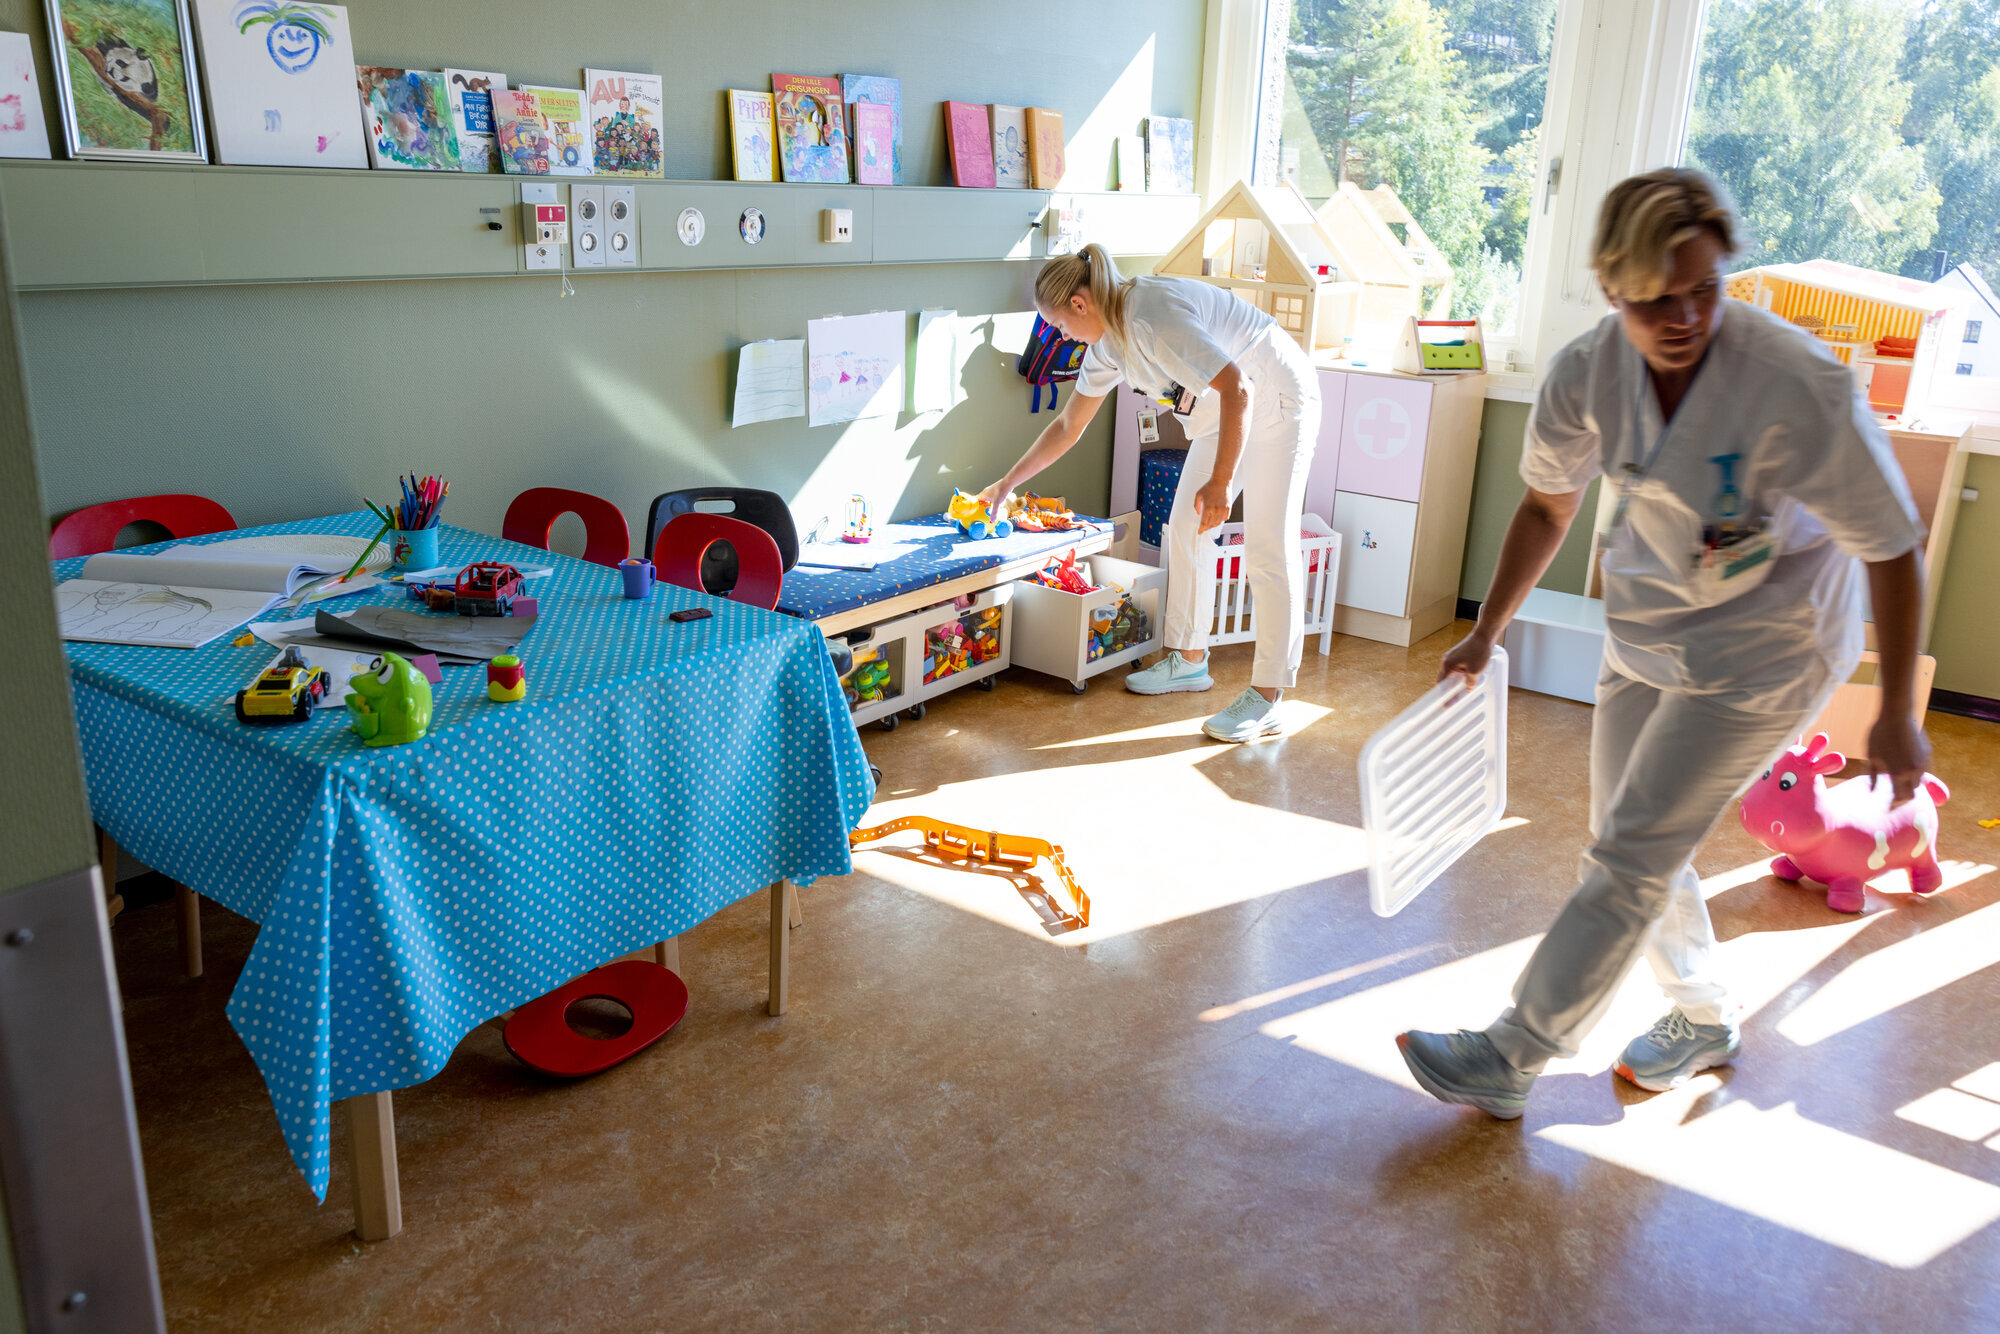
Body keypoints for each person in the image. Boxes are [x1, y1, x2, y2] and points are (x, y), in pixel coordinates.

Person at [1397, 169, 1931, 1116]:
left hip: (1773, 648)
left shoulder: (1798, 385)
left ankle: (1514, 1053)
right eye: (1656, 298)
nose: (1686, 315)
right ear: (1611, 289)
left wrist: (1894, 713)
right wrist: (1486, 630)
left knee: (1633, 852)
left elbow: (1891, 544)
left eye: (1707, 287)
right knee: (1625, 837)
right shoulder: (1586, 372)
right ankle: (1703, 1011)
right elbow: (1546, 503)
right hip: (1649, 622)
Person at [979, 243, 1322, 741]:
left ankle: (1268, 695)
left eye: (1059, 324)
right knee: (1186, 526)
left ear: (1080, 303)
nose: (1060, 335)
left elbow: (1239, 388)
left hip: (1277, 398)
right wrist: (1008, 482)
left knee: (1269, 546)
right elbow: (1068, 426)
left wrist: (1222, 481)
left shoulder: (1152, 317)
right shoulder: (1108, 344)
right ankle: (1188, 658)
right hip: (1222, 412)